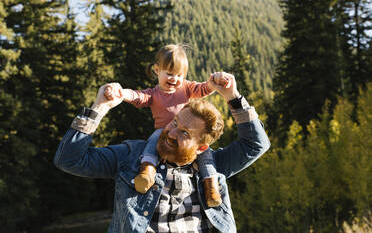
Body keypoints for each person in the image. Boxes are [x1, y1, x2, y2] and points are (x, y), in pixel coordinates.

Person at [54, 72, 270, 233]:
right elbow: (69, 160)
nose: (171, 133)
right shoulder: (131, 156)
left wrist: (233, 96)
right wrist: (100, 107)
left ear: (201, 147)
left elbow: (256, 144)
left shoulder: (215, 165)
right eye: (175, 122)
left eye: (184, 132)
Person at [104, 44, 229, 207]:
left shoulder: (187, 88)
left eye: (180, 75)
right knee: (152, 143)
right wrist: (122, 93)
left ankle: (210, 185)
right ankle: (147, 171)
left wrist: (215, 81)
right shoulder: (153, 94)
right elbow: (138, 96)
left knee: (205, 155)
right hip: (164, 132)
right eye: (169, 74)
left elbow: (204, 88)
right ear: (157, 70)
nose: (174, 79)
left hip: (187, 135)